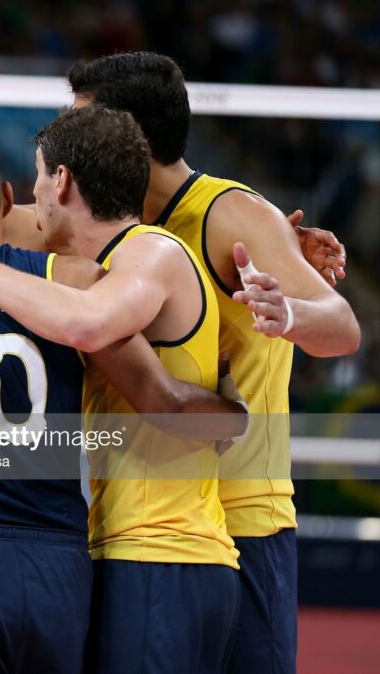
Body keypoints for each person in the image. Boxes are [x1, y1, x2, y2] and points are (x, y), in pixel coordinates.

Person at [0, 106, 245, 673]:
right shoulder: (86, 273)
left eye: (39, 176)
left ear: (59, 181)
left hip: (161, 554)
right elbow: (87, 428)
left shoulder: (142, 253)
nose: (33, 200)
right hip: (140, 551)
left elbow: (137, 376)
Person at [66, 52, 361, 674]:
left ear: (130, 136)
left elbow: (341, 328)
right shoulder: (109, 220)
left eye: (80, 121)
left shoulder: (231, 212)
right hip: (137, 523)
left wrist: (290, 314)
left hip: (240, 518)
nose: (68, 136)